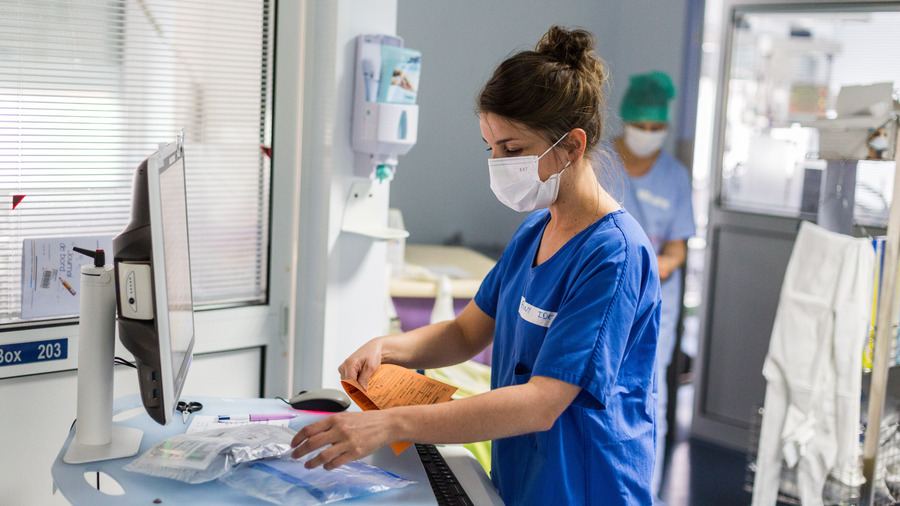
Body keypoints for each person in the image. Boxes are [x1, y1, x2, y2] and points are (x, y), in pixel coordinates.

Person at [290, 26, 661, 505]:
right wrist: (390, 347)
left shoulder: (614, 256)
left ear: (571, 146)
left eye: (512, 149)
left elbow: (541, 403)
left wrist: (391, 423)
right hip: (524, 479)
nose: (498, 162)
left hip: (586, 489)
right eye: (490, 147)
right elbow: (467, 333)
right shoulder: (537, 230)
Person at [612, 70, 696, 500]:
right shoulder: (597, 162)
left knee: (647, 396)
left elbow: (678, 250)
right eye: (641, 126)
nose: (648, 134)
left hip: (652, 303)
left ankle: (644, 492)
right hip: (603, 297)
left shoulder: (674, 177)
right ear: (625, 120)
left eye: (656, 127)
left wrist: (651, 265)